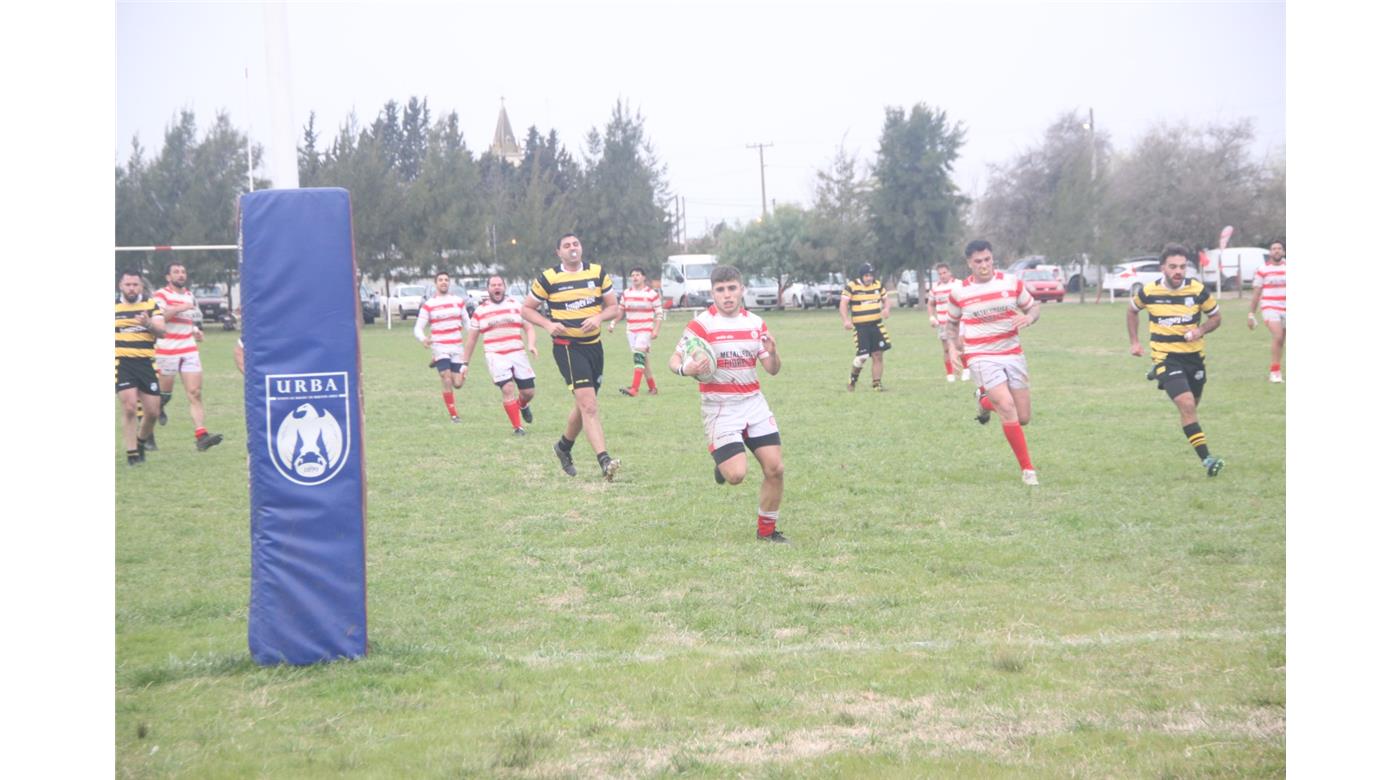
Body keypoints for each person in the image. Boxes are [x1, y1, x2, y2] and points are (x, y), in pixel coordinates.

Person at [669, 265, 788, 542]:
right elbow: (673, 360)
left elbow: (772, 370)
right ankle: (723, 461)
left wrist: (773, 354)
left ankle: (767, 533)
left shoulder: (756, 324)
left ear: (741, 290)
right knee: (735, 475)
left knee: (775, 469)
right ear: (713, 293)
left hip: (753, 403)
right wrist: (685, 369)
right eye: (720, 290)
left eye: (732, 288)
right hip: (720, 407)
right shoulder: (701, 325)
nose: (727, 295)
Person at [521, 233, 622, 480]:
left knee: (584, 403)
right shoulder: (549, 278)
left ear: (581, 247)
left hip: (594, 347)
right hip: (567, 347)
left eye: (576, 244)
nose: (572, 248)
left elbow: (613, 307)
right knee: (589, 404)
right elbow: (526, 309)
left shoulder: (597, 273)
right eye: (566, 246)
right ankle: (604, 460)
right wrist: (547, 324)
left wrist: (598, 317)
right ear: (559, 252)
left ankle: (563, 447)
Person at [948, 240, 1041, 486]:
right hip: (980, 355)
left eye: (987, 259)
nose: (984, 265)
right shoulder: (959, 292)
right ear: (969, 263)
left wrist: (1029, 318)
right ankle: (1028, 470)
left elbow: (1033, 308)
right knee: (1007, 407)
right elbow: (952, 324)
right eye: (978, 261)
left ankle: (984, 401)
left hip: (1012, 353)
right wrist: (952, 347)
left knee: (1023, 417)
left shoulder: (1011, 283)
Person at [1127, 243, 1225, 477]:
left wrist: (1200, 330)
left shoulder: (1197, 290)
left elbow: (1216, 318)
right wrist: (1135, 342)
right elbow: (1132, 310)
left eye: (1182, 266)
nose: (1178, 271)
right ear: (1163, 268)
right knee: (1187, 404)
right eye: (1172, 266)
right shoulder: (1149, 291)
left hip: (1194, 358)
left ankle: (1158, 374)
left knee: (1192, 407)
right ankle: (1207, 459)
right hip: (1166, 357)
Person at [152, 262, 223, 451]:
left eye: (183, 271)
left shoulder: (190, 295)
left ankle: (201, 436)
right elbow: (158, 319)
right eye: (176, 272)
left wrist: (195, 331)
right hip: (167, 350)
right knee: (164, 395)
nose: (181, 275)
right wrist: (178, 308)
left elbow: (189, 320)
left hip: (189, 349)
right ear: (168, 277)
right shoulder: (161, 295)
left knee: (195, 393)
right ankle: (151, 418)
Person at [463, 275, 538, 436]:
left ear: (504, 287)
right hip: (495, 355)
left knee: (529, 392)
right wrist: (465, 363)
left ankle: (522, 404)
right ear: (488, 289)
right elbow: (471, 339)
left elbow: (529, 327)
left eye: (499, 285)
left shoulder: (516, 305)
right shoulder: (480, 311)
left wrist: (531, 344)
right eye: (493, 285)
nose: (497, 287)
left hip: (517, 353)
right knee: (507, 388)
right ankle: (517, 427)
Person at [115, 271, 166, 465]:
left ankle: (141, 441)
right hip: (122, 362)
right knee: (129, 407)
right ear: (120, 286)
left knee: (152, 413)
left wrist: (148, 323)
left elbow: (162, 332)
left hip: (146, 363)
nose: (131, 288)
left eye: (135, 285)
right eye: (128, 284)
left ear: (141, 287)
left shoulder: (151, 305)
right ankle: (132, 454)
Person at [414, 271, 471, 422]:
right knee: (446, 378)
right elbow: (418, 328)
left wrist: (472, 336)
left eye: (446, 280)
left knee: (457, 383)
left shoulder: (458, 301)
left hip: (456, 346)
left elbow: (467, 322)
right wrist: (423, 339)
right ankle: (454, 415)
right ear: (436, 283)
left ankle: (447, 365)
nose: (444, 282)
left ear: (449, 283)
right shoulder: (429, 305)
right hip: (439, 345)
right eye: (440, 280)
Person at [610, 266, 663, 397]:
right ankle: (653, 388)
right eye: (633, 275)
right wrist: (613, 322)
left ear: (643, 277)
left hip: (645, 330)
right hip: (631, 331)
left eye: (638, 275)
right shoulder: (626, 293)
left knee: (638, 357)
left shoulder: (652, 294)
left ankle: (634, 389)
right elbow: (621, 310)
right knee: (643, 360)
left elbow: (659, 314)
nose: (635, 277)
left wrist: (656, 330)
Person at [840, 262, 893, 391]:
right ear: (861, 276)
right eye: (866, 275)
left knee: (878, 354)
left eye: (871, 275)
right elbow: (843, 304)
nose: (869, 278)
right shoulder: (852, 286)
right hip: (861, 327)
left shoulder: (878, 285)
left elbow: (886, 299)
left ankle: (876, 384)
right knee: (862, 357)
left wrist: (886, 309)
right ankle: (853, 379)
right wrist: (846, 320)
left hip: (876, 325)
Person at [1247, 240, 1286, 383]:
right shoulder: (1262, 269)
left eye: (1279, 248)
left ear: (1283, 252)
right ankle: (1274, 373)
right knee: (1278, 336)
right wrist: (1251, 314)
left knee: (1281, 341)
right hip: (1270, 307)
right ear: (1270, 252)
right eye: (1274, 248)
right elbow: (1257, 293)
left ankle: (1276, 370)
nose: (1277, 251)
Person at [926, 262, 970, 383]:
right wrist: (931, 317)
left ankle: (966, 370)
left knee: (960, 346)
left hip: (958, 322)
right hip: (943, 323)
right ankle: (950, 374)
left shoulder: (959, 284)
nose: (942, 275)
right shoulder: (935, 289)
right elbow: (930, 304)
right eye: (940, 274)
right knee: (946, 349)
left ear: (950, 272)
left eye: (944, 272)